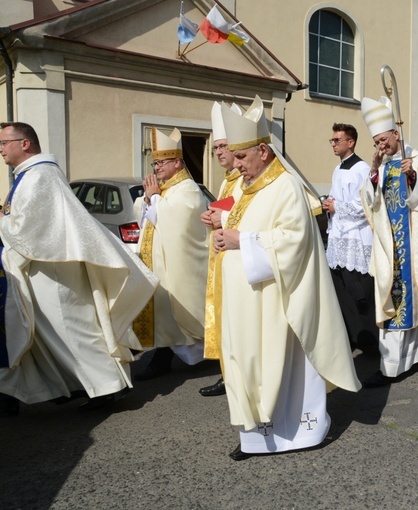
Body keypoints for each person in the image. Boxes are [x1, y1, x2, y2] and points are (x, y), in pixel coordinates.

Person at [211, 96, 360, 460]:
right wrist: (224, 227)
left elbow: (293, 241)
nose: (237, 164)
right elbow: (246, 223)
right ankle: (255, 438)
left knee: (281, 367)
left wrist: (239, 239)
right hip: (249, 299)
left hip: (279, 303)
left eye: (242, 157)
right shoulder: (247, 186)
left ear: (263, 151)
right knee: (248, 363)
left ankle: (303, 433)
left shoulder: (286, 187)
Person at [0, 121, 158, 412]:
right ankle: (69, 386)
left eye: (4, 143)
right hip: (42, 268)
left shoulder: (40, 177)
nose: (0, 150)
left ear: (24, 144)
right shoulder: (29, 175)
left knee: (73, 332)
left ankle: (110, 388)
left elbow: (30, 230)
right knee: (51, 335)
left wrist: (3, 235)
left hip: (53, 270)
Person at [359, 96, 418, 387]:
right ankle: (393, 363)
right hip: (390, 247)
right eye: (376, 142)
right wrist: (373, 173)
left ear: (396, 134)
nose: (380, 146)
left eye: (383, 140)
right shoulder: (381, 167)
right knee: (393, 302)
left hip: (413, 245)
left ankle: (415, 357)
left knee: (414, 303)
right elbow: (370, 203)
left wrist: (413, 178)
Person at [132, 127, 209, 380]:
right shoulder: (165, 189)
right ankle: (164, 356)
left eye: (162, 162)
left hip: (179, 266)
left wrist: (154, 198)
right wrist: (147, 201)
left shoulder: (187, 188)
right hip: (161, 264)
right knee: (164, 312)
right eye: (154, 163)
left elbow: (177, 222)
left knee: (180, 312)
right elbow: (150, 219)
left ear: (177, 162)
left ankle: (211, 354)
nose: (157, 168)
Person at [198, 102, 244, 397]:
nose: (219, 153)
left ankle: (235, 375)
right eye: (215, 148)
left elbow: (245, 217)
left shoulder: (246, 178)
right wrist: (211, 218)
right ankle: (227, 373)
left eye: (224, 146)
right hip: (223, 256)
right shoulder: (228, 180)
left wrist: (221, 218)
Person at [322, 122, 377, 354]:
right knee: (343, 294)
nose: (333, 144)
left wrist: (336, 206)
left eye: (337, 140)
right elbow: (338, 197)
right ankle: (355, 338)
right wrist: (329, 203)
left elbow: (363, 205)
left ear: (351, 142)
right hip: (339, 238)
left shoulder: (361, 168)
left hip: (356, 238)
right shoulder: (339, 168)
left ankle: (373, 343)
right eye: (332, 140)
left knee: (361, 296)